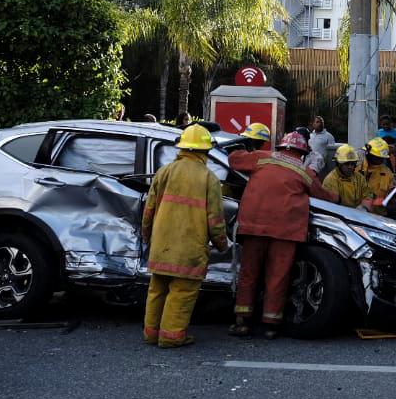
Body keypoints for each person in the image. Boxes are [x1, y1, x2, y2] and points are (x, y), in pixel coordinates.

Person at [227, 131, 336, 338]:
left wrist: (241, 145)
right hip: (286, 230)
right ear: (303, 152)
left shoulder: (262, 157)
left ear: (281, 146)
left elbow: (233, 160)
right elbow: (323, 196)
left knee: (249, 273)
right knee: (277, 276)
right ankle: (271, 324)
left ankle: (242, 321)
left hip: (254, 226)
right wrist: (340, 198)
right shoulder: (304, 170)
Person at [140, 125, 227, 348]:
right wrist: (221, 243)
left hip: (162, 245)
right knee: (182, 292)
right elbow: (215, 219)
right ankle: (171, 337)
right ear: (205, 151)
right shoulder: (209, 179)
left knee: (157, 289)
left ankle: (151, 333)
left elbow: (148, 210)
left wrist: (147, 235)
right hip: (189, 249)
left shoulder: (165, 171)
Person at [322, 144, 372, 209]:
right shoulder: (331, 180)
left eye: (353, 163)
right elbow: (331, 205)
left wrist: (363, 207)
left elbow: (368, 196)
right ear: (338, 163)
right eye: (347, 163)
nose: (350, 167)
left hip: (359, 216)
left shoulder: (359, 178)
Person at [361, 137, 396, 216]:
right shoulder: (357, 169)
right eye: (378, 157)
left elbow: (392, 197)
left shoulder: (387, 172)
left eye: (382, 157)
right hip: (358, 214)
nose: (381, 159)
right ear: (369, 154)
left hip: (379, 216)